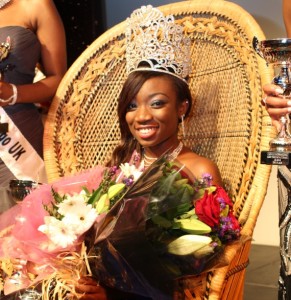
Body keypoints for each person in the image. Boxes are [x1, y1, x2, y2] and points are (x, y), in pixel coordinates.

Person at [73, 5, 222, 300]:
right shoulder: (120, 168)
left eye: (156, 103)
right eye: (131, 105)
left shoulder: (199, 169)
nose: (141, 116)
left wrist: (114, 293)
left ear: (182, 108)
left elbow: (196, 261)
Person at [0, 0, 67, 213]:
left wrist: (14, 93)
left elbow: (59, 79)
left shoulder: (35, 4)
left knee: (27, 230)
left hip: (19, 139)